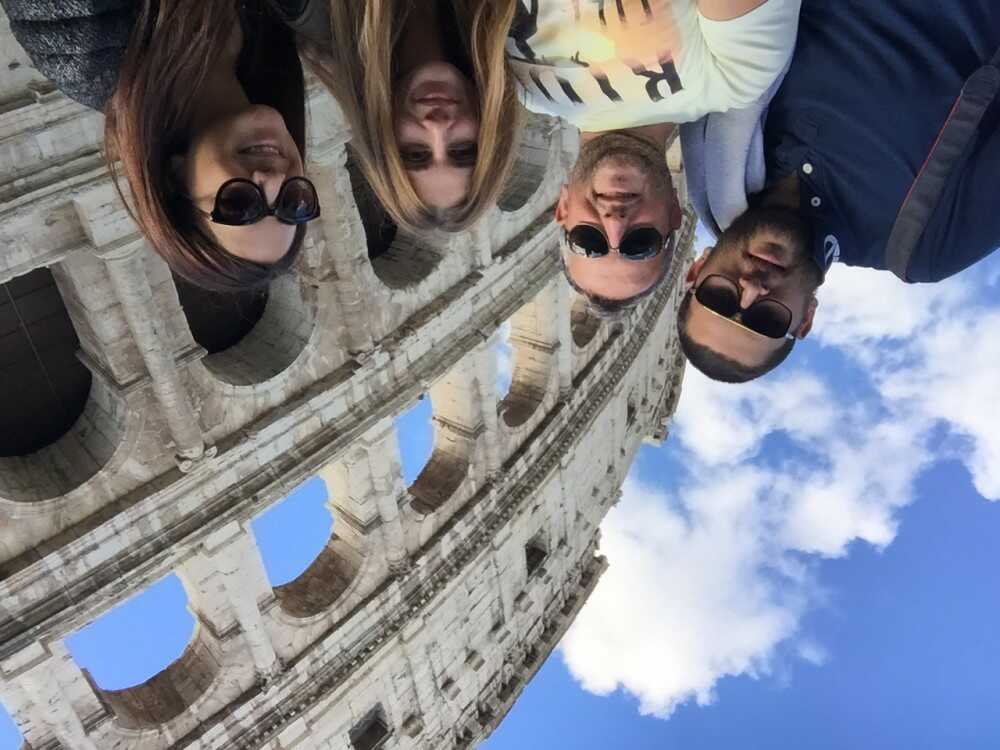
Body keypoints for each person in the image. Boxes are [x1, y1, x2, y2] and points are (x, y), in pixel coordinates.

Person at [678, 0, 1000, 383]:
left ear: (696, 270)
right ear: (806, 320)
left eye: (718, 298)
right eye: (766, 320)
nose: (751, 290)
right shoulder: (924, 247)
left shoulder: (710, 120)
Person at [505, 0, 801, 316]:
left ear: (563, 209)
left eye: (588, 241)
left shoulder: (516, 85)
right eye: (640, 243)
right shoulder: (734, 79)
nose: (615, 223)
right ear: (674, 211)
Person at [2, 0, 320, 292]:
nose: (274, 180)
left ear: (176, 178)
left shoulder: (81, 49)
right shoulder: (279, 24)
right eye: (293, 202)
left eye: (239, 204)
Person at [302, 0, 522, 233]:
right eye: (462, 150)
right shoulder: (507, 17)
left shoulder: (315, 13)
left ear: (383, 137)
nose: (436, 127)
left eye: (416, 153)